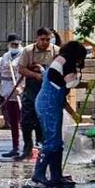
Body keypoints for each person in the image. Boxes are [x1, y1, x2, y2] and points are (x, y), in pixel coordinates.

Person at [31, 40, 88, 188]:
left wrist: (73, 113)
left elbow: (61, 92)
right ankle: (39, 173)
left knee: (57, 143)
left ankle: (56, 176)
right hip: (48, 105)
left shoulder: (60, 60)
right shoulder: (67, 62)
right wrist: (81, 78)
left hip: (50, 103)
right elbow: (70, 84)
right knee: (52, 141)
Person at [17, 27, 60, 161]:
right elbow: (21, 69)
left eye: (48, 39)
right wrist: (35, 75)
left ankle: (42, 148)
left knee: (43, 121)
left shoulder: (55, 51)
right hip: (31, 91)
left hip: (48, 92)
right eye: (42, 39)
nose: (45, 42)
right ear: (37, 38)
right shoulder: (28, 51)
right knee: (26, 122)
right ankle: (27, 149)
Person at [0, 34, 25, 158]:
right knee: (13, 122)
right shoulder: (5, 57)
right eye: (12, 44)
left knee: (25, 122)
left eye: (16, 44)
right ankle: (15, 147)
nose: (14, 46)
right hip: (7, 92)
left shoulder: (24, 55)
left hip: (21, 93)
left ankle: (29, 147)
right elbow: (0, 75)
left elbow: (26, 74)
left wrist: (21, 87)